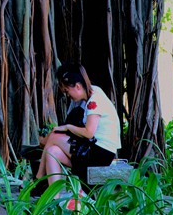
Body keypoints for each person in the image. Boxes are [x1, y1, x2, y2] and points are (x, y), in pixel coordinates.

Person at [35, 63, 121, 196]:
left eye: (67, 91)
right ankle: (54, 198)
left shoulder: (94, 101)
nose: (67, 95)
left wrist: (68, 127)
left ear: (78, 86)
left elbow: (88, 132)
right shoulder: (92, 92)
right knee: (52, 151)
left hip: (100, 153)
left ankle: (38, 178)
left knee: (54, 136)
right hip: (92, 149)